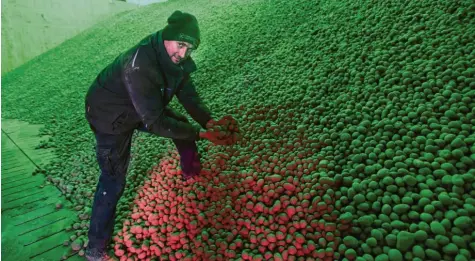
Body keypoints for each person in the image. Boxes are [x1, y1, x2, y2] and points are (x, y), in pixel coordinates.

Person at [83, 10, 231, 261]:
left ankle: (192, 173)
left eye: (189, 48)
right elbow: (155, 122)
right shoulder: (139, 63)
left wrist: (209, 121)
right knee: (113, 179)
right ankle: (95, 247)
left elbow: (189, 95)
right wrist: (202, 134)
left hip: (142, 103)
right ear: (167, 37)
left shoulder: (174, 57)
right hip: (110, 114)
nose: (183, 53)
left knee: (180, 124)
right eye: (180, 44)